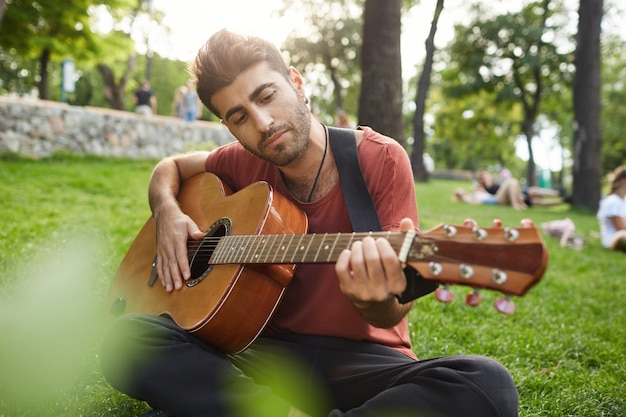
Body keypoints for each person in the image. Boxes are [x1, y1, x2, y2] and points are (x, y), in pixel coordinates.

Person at [100, 29, 519, 417]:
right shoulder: (238, 162)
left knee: (486, 385)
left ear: (296, 83)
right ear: (228, 127)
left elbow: (392, 310)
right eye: (240, 117)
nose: (262, 123)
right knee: (126, 338)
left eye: (267, 96)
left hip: (359, 361)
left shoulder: (380, 158)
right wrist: (168, 212)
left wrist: (373, 299)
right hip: (257, 354)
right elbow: (169, 167)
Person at [477, 170, 566, 208]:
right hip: (502, 198)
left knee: (533, 191)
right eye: (482, 177)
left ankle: (561, 197)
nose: (485, 177)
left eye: (486, 175)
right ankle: (516, 205)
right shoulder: (482, 188)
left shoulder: (495, 183)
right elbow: (482, 197)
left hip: (517, 195)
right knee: (512, 181)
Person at [597, 165, 626, 253]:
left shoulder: (623, 200)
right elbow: (621, 228)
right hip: (615, 240)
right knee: (622, 236)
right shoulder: (612, 201)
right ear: (624, 181)